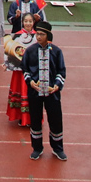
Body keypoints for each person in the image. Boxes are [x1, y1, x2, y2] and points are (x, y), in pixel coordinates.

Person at [23, 20, 67, 161]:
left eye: (42, 34)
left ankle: (57, 148)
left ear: (48, 35)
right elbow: (25, 70)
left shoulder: (57, 52)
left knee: (55, 120)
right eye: (38, 34)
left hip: (52, 94)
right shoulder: (30, 51)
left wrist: (56, 86)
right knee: (35, 120)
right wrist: (31, 82)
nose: (39, 37)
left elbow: (61, 71)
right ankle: (37, 148)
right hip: (35, 93)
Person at [4, 14, 37, 127]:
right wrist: (7, 64)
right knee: (20, 91)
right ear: (22, 22)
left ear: (34, 22)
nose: (28, 24)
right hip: (19, 72)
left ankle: (31, 117)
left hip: (33, 72)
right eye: (26, 21)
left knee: (31, 94)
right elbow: (10, 51)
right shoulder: (17, 36)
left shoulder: (38, 37)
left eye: (30, 21)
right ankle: (20, 117)